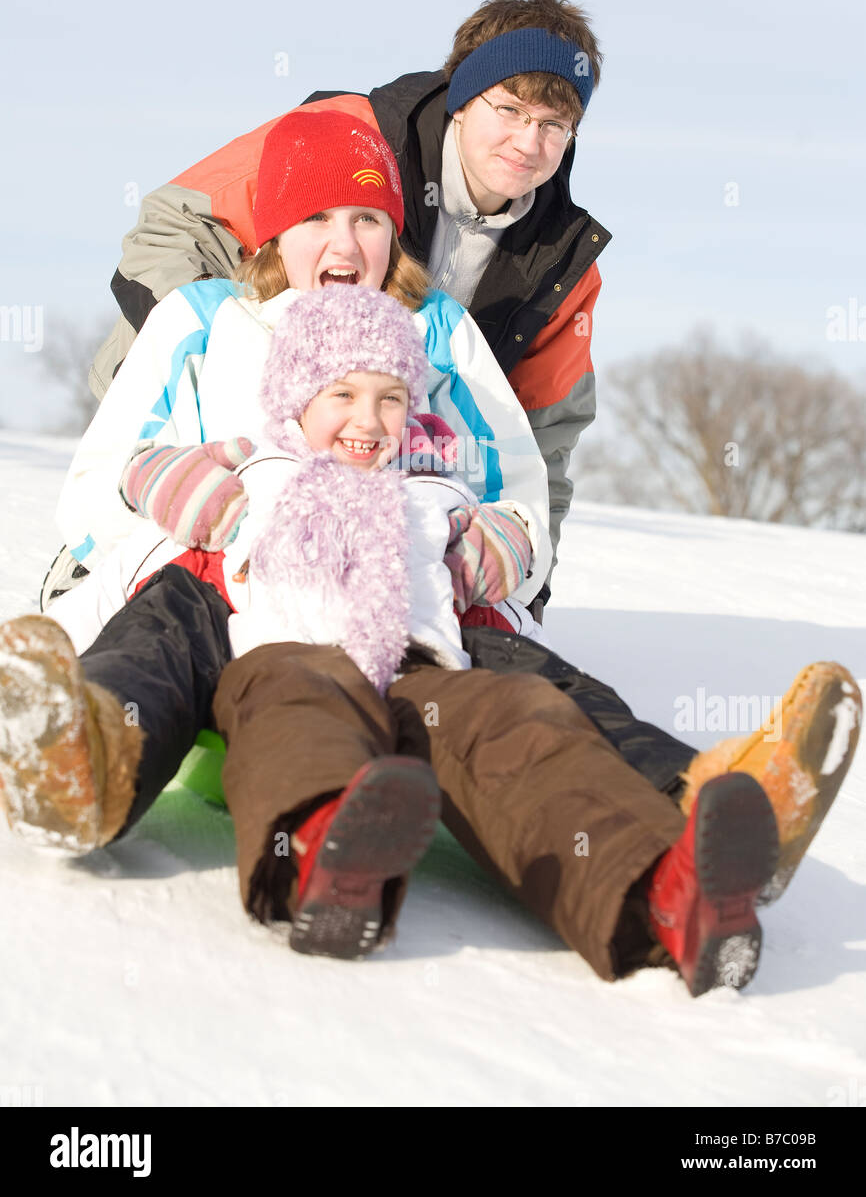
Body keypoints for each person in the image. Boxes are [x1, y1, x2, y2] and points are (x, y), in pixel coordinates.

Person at [7, 286, 857, 997]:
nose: (366, 419)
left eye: (388, 398)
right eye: (341, 395)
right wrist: (186, 485)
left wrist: (495, 547)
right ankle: (326, 853)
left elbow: (511, 538)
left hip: (425, 669)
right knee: (300, 710)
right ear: (293, 402)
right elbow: (144, 471)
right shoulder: (256, 469)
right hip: (282, 650)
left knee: (515, 718)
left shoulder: (428, 490)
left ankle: (665, 892)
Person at [78, 0, 609, 604]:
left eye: (553, 125)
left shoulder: (564, 262)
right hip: (203, 424)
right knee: (173, 580)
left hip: (382, 460)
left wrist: (519, 582)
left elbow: (545, 437)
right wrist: (234, 356)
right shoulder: (344, 139)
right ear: (464, 98)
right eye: (511, 110)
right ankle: (103, 581)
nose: (528, 142)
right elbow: (171, 227)